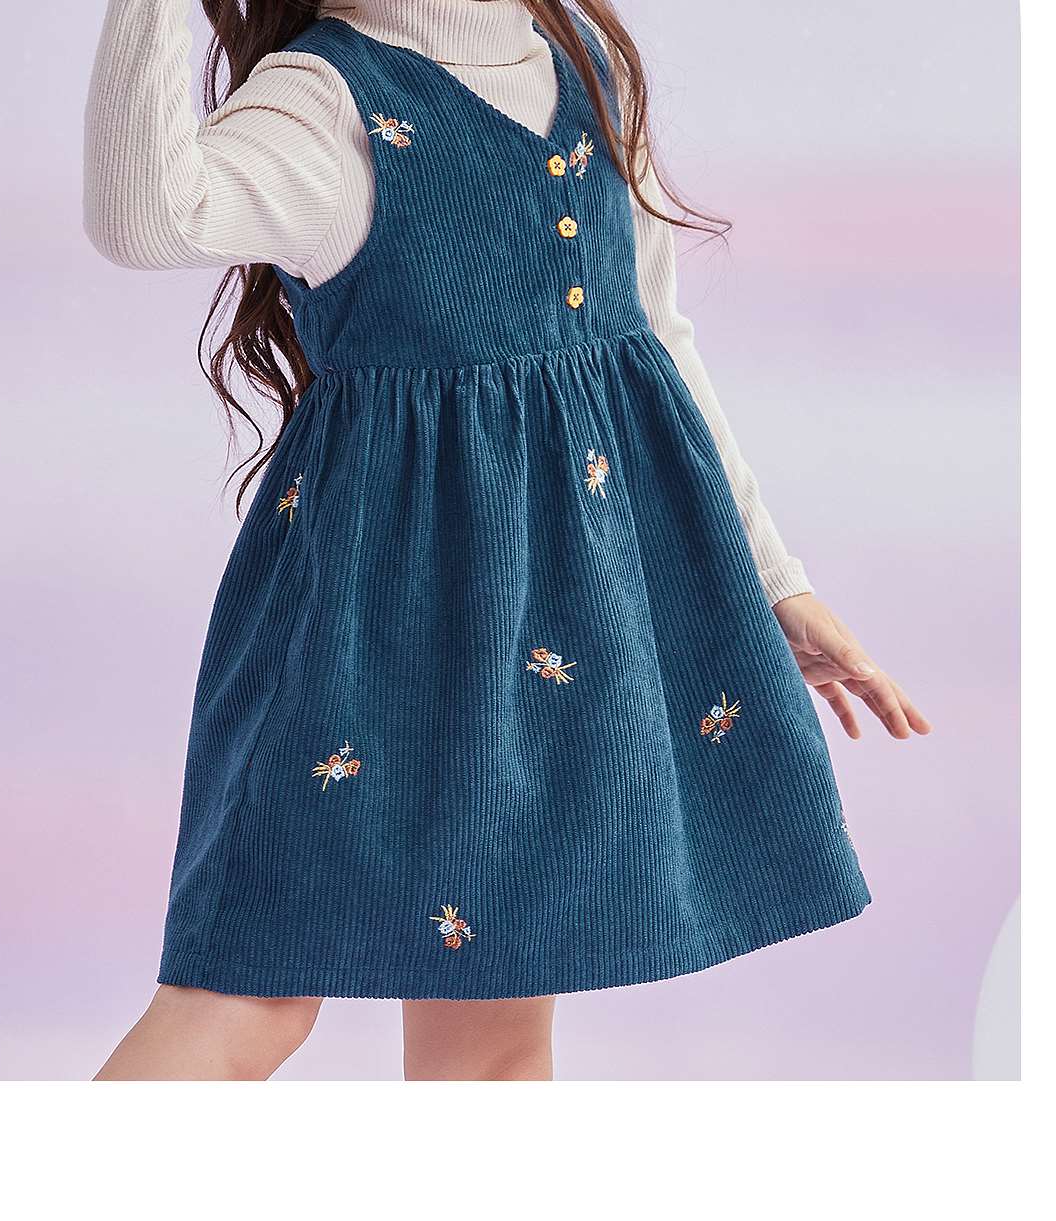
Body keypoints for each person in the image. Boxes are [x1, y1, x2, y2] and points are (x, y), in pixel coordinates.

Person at [84, 0, 930, 1081]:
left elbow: (654, 335)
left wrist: (774, 579)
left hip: (561, 631)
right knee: (245, 995)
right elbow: (147, 219)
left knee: (491, 1039)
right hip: (370, 621)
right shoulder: (327, 99)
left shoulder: (582, 62)